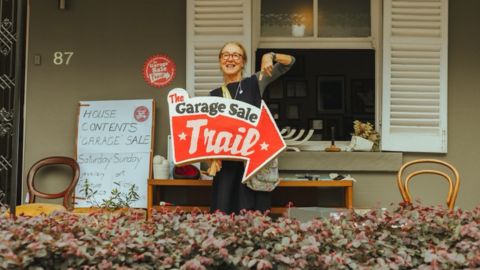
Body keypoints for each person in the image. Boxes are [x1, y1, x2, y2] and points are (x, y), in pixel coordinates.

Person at [209, 42, 295, 214]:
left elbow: (290, 62)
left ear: (243, 62)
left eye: (236, 55)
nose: (230, 59)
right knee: (223, 216)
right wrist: (212, 158)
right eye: (226, 55)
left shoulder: (255, 83)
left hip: (253, 166)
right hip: (227, 167)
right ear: (220, 61)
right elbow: (212, 133)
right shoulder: (214, 96)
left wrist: (270, 55)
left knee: (253, 218)